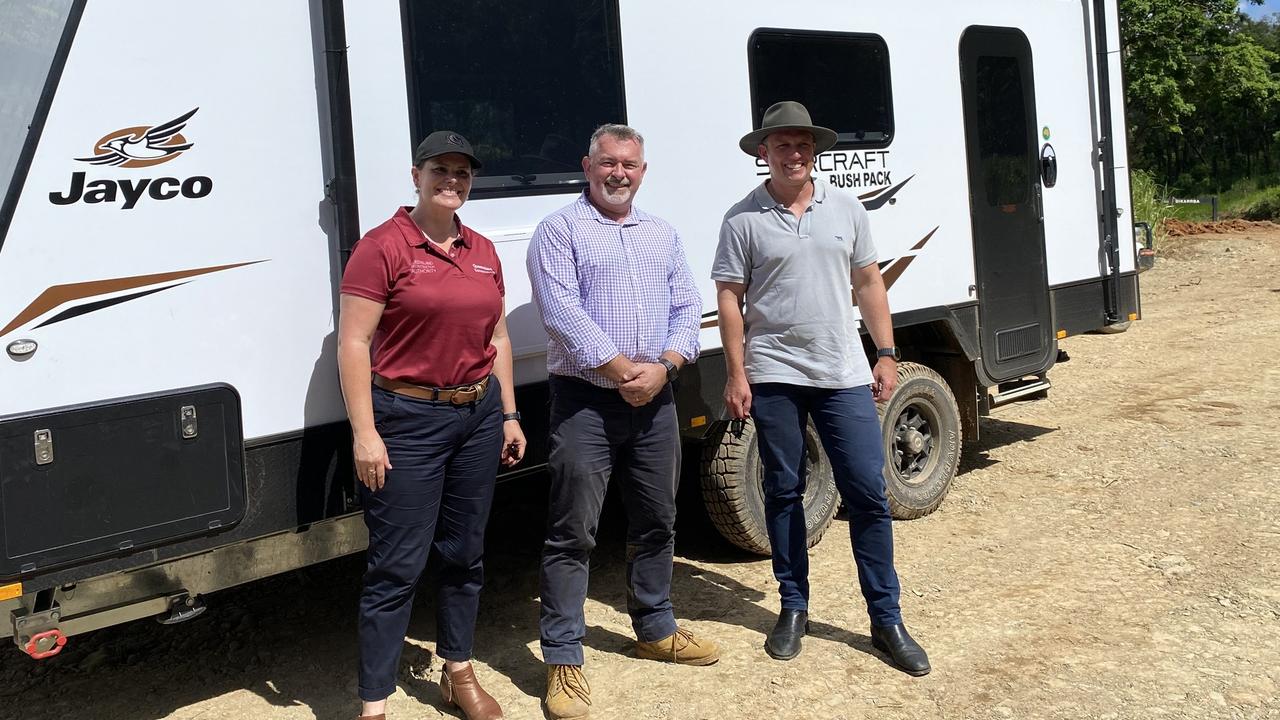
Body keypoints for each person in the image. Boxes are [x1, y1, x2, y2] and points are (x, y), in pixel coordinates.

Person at [712, 101, 931, 675]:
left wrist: (885, 353)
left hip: (842, 373)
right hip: (775, 372)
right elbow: (730, 300)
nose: (794, 154)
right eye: (782, 144)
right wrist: (736, 373)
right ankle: (792, 607)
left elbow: (868, 283)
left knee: (867, 492)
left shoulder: (848, 208)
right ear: (764, 153)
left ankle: (887, 619)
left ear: (816, 151)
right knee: (784, 490)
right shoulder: (742, 219)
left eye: (803, 144)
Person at [526, 124, 717, 720]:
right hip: (586, 401)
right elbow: (560, 310)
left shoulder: (661, 234)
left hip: (657, 399)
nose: (618, 173)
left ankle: (655, 627)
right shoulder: (559, 231)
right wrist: (622, 370)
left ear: (642, 170)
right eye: (607, 163)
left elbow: (688, 306)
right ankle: (563, 657)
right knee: (573, 531)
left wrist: (663, 367)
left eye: (629, 164)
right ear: (587, 165)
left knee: (658, 517)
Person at [338, 130, 527, 720]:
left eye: (463, 173)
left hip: (477, 416)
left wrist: (510, 413)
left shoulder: (482, 249)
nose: (452, 180)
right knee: (397, 564)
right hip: (406, 418)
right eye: (440, 170)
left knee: (465, 553)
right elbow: (353, 340)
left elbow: (496, 337)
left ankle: (458, 671)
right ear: (416, 175)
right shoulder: (384, 246)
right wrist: (365, 433)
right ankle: (375, 704)